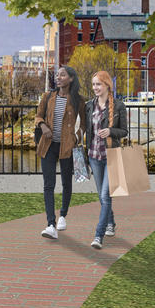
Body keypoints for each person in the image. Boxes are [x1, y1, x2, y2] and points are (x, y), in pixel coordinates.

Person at [34, 64, 88, 238]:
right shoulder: (48, 96)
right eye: (57, 75)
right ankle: (51, 224)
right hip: (48, 145)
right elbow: (38, 116)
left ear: (71, 79)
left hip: (67, 146)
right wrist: (43, 126)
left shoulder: (78, 100)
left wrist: (76, 138)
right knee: (48, 185)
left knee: (66, 182)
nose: (58, 77)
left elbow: (85, 124)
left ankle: (63, 214)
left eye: (62, 75)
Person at [85, 70, 129, 250]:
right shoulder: (89, 106)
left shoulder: (118, 106)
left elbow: (124, 131)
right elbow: (86, 130)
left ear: (107, 86)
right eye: (94, 84)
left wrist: (111, 131)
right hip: (94, 156)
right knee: (103, 197)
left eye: (99, 84)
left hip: (111, 156)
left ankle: (98, 235)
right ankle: (111, 223)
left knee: (104, 196)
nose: (95, 87)